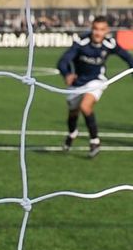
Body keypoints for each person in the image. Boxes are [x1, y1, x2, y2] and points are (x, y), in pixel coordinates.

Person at [55, 16, 133, 158]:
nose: (98, 33)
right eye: (96, 29)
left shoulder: (110, 44)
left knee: (85, 107)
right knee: (73, 112)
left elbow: (128, 58)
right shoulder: (81, 43)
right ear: (91, 29)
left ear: (107, 30)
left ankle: (94, 141)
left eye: (102, 30)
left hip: (97, 81)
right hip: (78, 83)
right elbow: (62, 62)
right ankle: (72, 134)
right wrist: (67, 74)